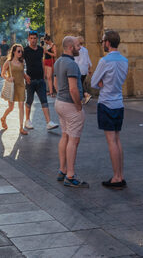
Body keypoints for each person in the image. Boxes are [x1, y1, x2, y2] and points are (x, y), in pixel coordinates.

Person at [90, 29, 128, 189]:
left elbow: (93, 82)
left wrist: (101, 83)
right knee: (117, 140)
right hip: (119, 102)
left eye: (103, 41)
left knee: (111, 141)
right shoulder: (124, 60)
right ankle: (121, 174)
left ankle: (116, 177)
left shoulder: (105, 61)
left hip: (106, 103)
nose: (102, 43)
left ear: (108, 42)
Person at [53, 35, 87, 188]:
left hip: (60, 102)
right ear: (70, 47)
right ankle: (70, 176)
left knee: (65, 136)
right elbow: (73, 88)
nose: (80, 48)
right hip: (70, 105)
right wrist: (79, 105)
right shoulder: (72, 65)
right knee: (73, 139)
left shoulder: (58, 62)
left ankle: (62, 170)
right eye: (78, 45)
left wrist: (62, 93)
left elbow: (55, 82)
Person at [22, 32, 59, 131]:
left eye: (35, 38)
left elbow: (41, 62)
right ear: (28, 39)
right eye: (31, 38)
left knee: (44, 100)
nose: (33, 40)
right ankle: (27, 120)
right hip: (30, 80)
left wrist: (43, 76)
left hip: (40, 80)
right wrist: (24, 76)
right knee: (29, 100)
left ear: (37, 39)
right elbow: (19, 63)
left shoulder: (40, 50)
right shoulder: (25, 50)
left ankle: (49, 122)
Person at [0, 44, 28, 134]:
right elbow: (2, 74)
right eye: (18, 51)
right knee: (11, 107)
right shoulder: (8, 62)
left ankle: (21, 127)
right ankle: (3, 118)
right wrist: (8, 78)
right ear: (14, 52)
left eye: (21, 51)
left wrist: (26, 76)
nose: (20, 53)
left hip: (21, 86)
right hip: (12, 86)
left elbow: (22, 72)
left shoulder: (22, 61)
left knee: (21, 106)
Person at [76, 36, 92, 103]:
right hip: (85, 70)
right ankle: (82, 98)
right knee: (80, 84)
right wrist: (89, 69)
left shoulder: (77, 50)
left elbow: (76, 60)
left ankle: (86, 95)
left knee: (78, 85)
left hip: (79, 69)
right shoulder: (85, 50)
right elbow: (88, 61)